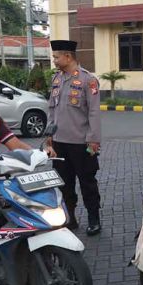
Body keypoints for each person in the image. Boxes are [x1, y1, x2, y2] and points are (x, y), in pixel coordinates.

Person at [46, 40, 102, 235]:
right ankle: (70, 218)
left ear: (68, 56)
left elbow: (94, 113)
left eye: (56, 57)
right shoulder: (56, 79)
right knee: (63, 183)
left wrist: (93, 140)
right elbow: (51, 109)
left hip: (81, 143)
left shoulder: (89, 80)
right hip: (60, 143)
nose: (54, 60)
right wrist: (49, 136)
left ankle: (94, 219)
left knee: (87, 183)